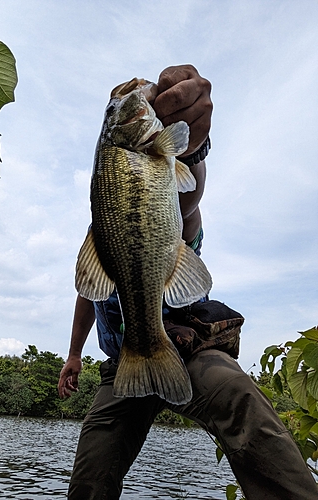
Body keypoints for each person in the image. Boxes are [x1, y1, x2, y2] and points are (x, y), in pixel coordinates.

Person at [58, 65, 318, 500]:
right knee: (91, 469)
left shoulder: (154, 184)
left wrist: (193, 151)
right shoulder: (106, 226)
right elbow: (89, 290)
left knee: (239, 399)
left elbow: (189, 206)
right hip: (124, 362)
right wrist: (72, 354)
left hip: (188, 345)